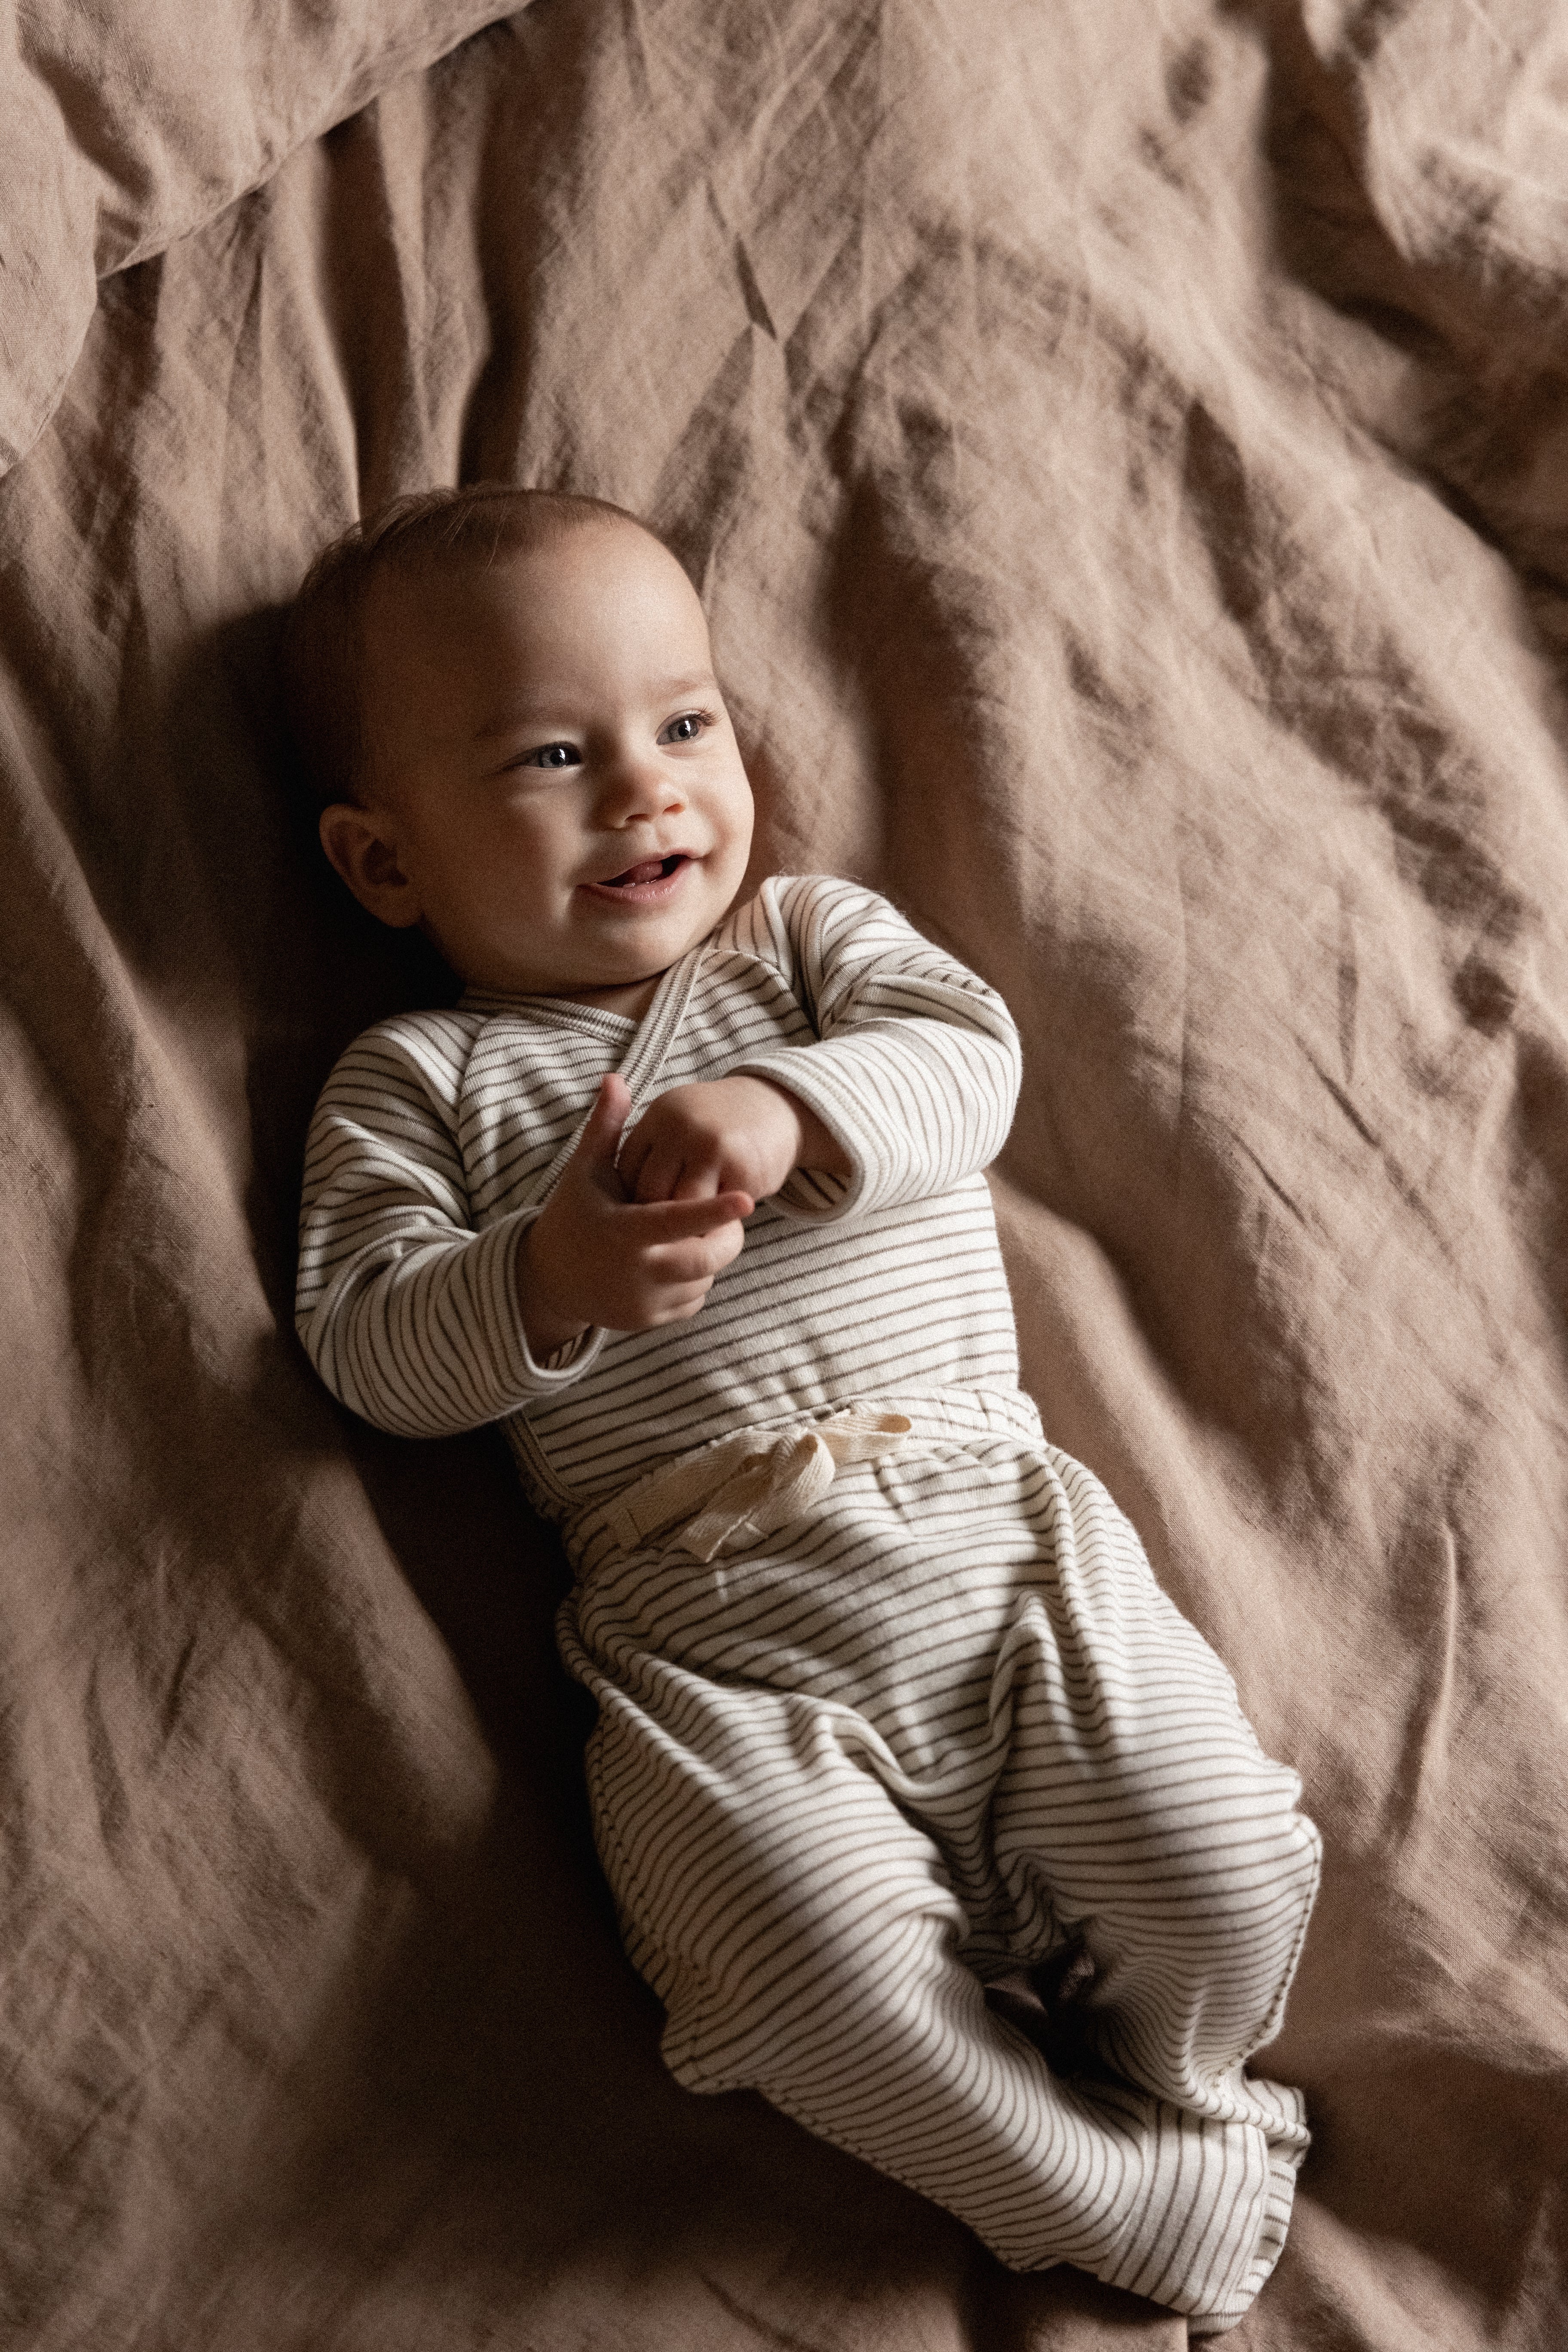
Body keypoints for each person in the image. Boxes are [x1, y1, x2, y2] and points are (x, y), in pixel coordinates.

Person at [288, 482, 1321, 2334]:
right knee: (792, 1972)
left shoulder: (801, 954)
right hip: (707, 1638)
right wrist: (547, 1280)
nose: (649, 790)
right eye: (551, 751)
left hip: (997, 1540)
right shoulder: (417, 1083)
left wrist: (791, 1112)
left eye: (687, 722)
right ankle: (1099, 2195)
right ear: (386, 865)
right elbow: (366, 1341)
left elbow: (970, 1065)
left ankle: (1169, 2081)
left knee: (1220, 1857)